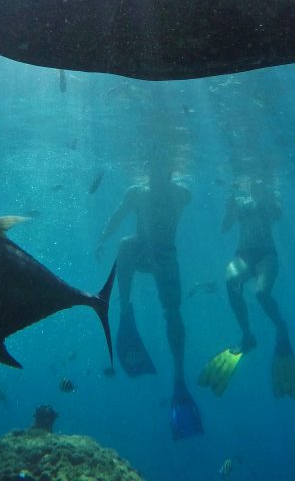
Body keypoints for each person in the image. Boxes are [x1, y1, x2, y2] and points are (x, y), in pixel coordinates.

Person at [95, 152, 203, 440]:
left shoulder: (182, 193)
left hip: (166, 258)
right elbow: (117, 216)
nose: (156, 173)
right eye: (153, 167)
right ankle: (126, 311)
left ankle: (179, 376)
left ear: (169, 170)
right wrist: (103, 239)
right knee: (125, 244)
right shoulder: (138, 193)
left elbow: (182, 197)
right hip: (143, 252)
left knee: (173, 313)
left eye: (161, 167)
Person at [198, 178, 295, 399]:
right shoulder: (240, 201)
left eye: (260, 179)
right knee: (231, 282)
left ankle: (281, 327)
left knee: (262, 294)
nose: (255, 182)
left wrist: (264, 200)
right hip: (243, 253)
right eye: (252, 180)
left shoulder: (273, 196)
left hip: (266, 254)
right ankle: (247, 336)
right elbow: (225, 228)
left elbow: (277, 214)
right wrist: (230, 209)